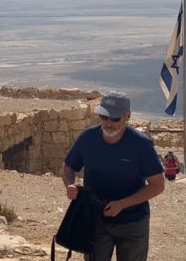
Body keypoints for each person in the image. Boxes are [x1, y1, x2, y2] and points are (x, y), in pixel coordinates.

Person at [62, 91, 165, 261]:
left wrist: (122, 204)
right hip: (95, 219)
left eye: (115, 118)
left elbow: (157, 185)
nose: (108, 123)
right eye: (104, 117)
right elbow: (68, 167)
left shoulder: (141, 144)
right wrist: (69, 186)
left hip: (132, 222)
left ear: (127, 117)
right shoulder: (88, 138)